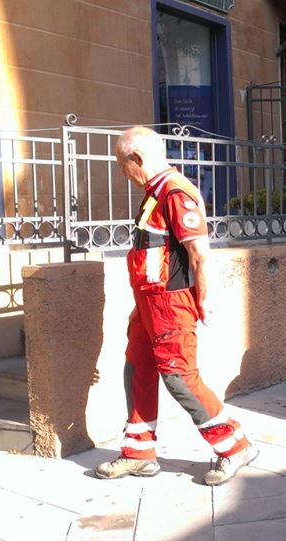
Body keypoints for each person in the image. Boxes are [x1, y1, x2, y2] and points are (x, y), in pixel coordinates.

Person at [95, 127, 256, 485]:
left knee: (179, 378)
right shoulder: (155, 193)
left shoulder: (175, 192)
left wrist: (204, 300)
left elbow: (200, 254)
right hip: (149, 306)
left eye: (123, 165)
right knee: (136, 369)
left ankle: (234, 446)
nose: (123, 173)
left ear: (137, 159)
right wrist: (140, 308)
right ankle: (138, 453)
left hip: (170, 305)